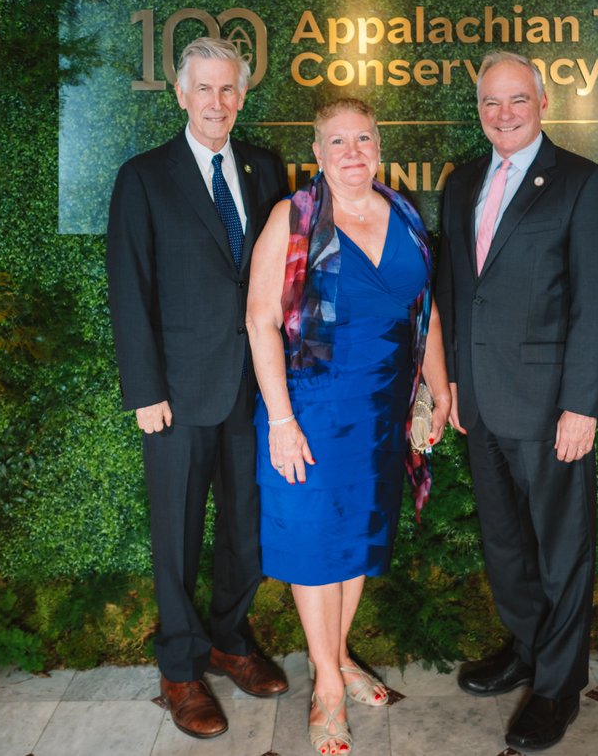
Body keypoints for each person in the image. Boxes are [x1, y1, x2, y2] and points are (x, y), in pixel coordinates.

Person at [246, 98, 450, 756]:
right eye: (339, 141)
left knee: (356, 540)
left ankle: (331, 659)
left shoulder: (406, 217)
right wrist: (280, 417)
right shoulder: (294, 219)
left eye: (364, 138)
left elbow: (428, 311)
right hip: (308, 409)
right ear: (318, 153)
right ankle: (328, 687)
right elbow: (259, 321)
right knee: (312, 544)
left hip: (380, 413)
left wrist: (437, 389)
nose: (353, 151)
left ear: (380, 147)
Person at [436, 51, 598, 751]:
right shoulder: (461, 185)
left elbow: (597, 302)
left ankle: (557, 687)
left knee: (562, 548)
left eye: (516, 100)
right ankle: (526, 646)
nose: (503, 114)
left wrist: (583, 405)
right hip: (479, 401)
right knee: (505, 543)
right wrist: (450, 382)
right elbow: (456, 291)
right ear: (478, 109)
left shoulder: (580, 184)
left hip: (550, 408)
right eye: (490, 102)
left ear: (542, 101)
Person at [106, 36, 290, 740]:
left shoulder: (264, 167)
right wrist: (144, 388)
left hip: (256, 387)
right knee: (178, 533)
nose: (217, 102)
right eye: (203, 89)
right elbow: (131, 289)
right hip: (177, 393)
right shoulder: (145, 178)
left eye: (228, 90)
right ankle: (180, 668)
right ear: (181, 95)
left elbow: (283, 278)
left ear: (241, 97)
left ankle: (228, 639)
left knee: (247, 524)